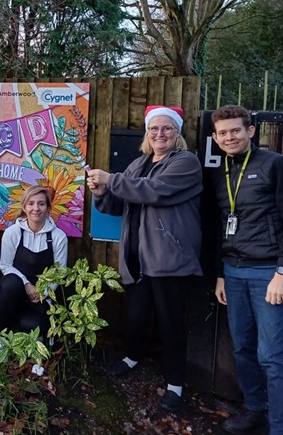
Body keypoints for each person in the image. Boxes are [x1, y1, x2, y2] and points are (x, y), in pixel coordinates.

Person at [87, 105, 203, 412]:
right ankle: (133, 355)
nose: (160, 134)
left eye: (167, 129)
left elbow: (153, 192)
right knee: (137, 316)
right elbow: (115, 205)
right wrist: (100, 190)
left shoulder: (187, 163)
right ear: (147, 134)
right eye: (154, 129)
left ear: (177, 134)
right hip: (136, 258)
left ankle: (175, 383)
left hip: (170, 259)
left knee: (170, 323)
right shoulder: (138, 163)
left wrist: (110, 178)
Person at [209, 105, 283, 435]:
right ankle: (255, 409)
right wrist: (221, 273)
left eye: (235, 130)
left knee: (273, 356)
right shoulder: (220, 170)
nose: (229, 137)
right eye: (222, 133)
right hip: (233, 273)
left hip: (269, 273)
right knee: (242, 349)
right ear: (215, 137)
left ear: (250, 131)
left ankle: (282, 429)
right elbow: (220, 224)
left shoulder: (276, 165)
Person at [0, 185, 67, 335]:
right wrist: (26, 284)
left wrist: (42, 292)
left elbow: (60, 272)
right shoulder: (12, 233)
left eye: (41, 204)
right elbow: (5, 265)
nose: (36, 208)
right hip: (13, 292)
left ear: (48, 208)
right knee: (11, 282)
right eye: (31, 203)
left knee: (33, 325)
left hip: (39, 298)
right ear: (24, 207)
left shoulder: (59, 237)